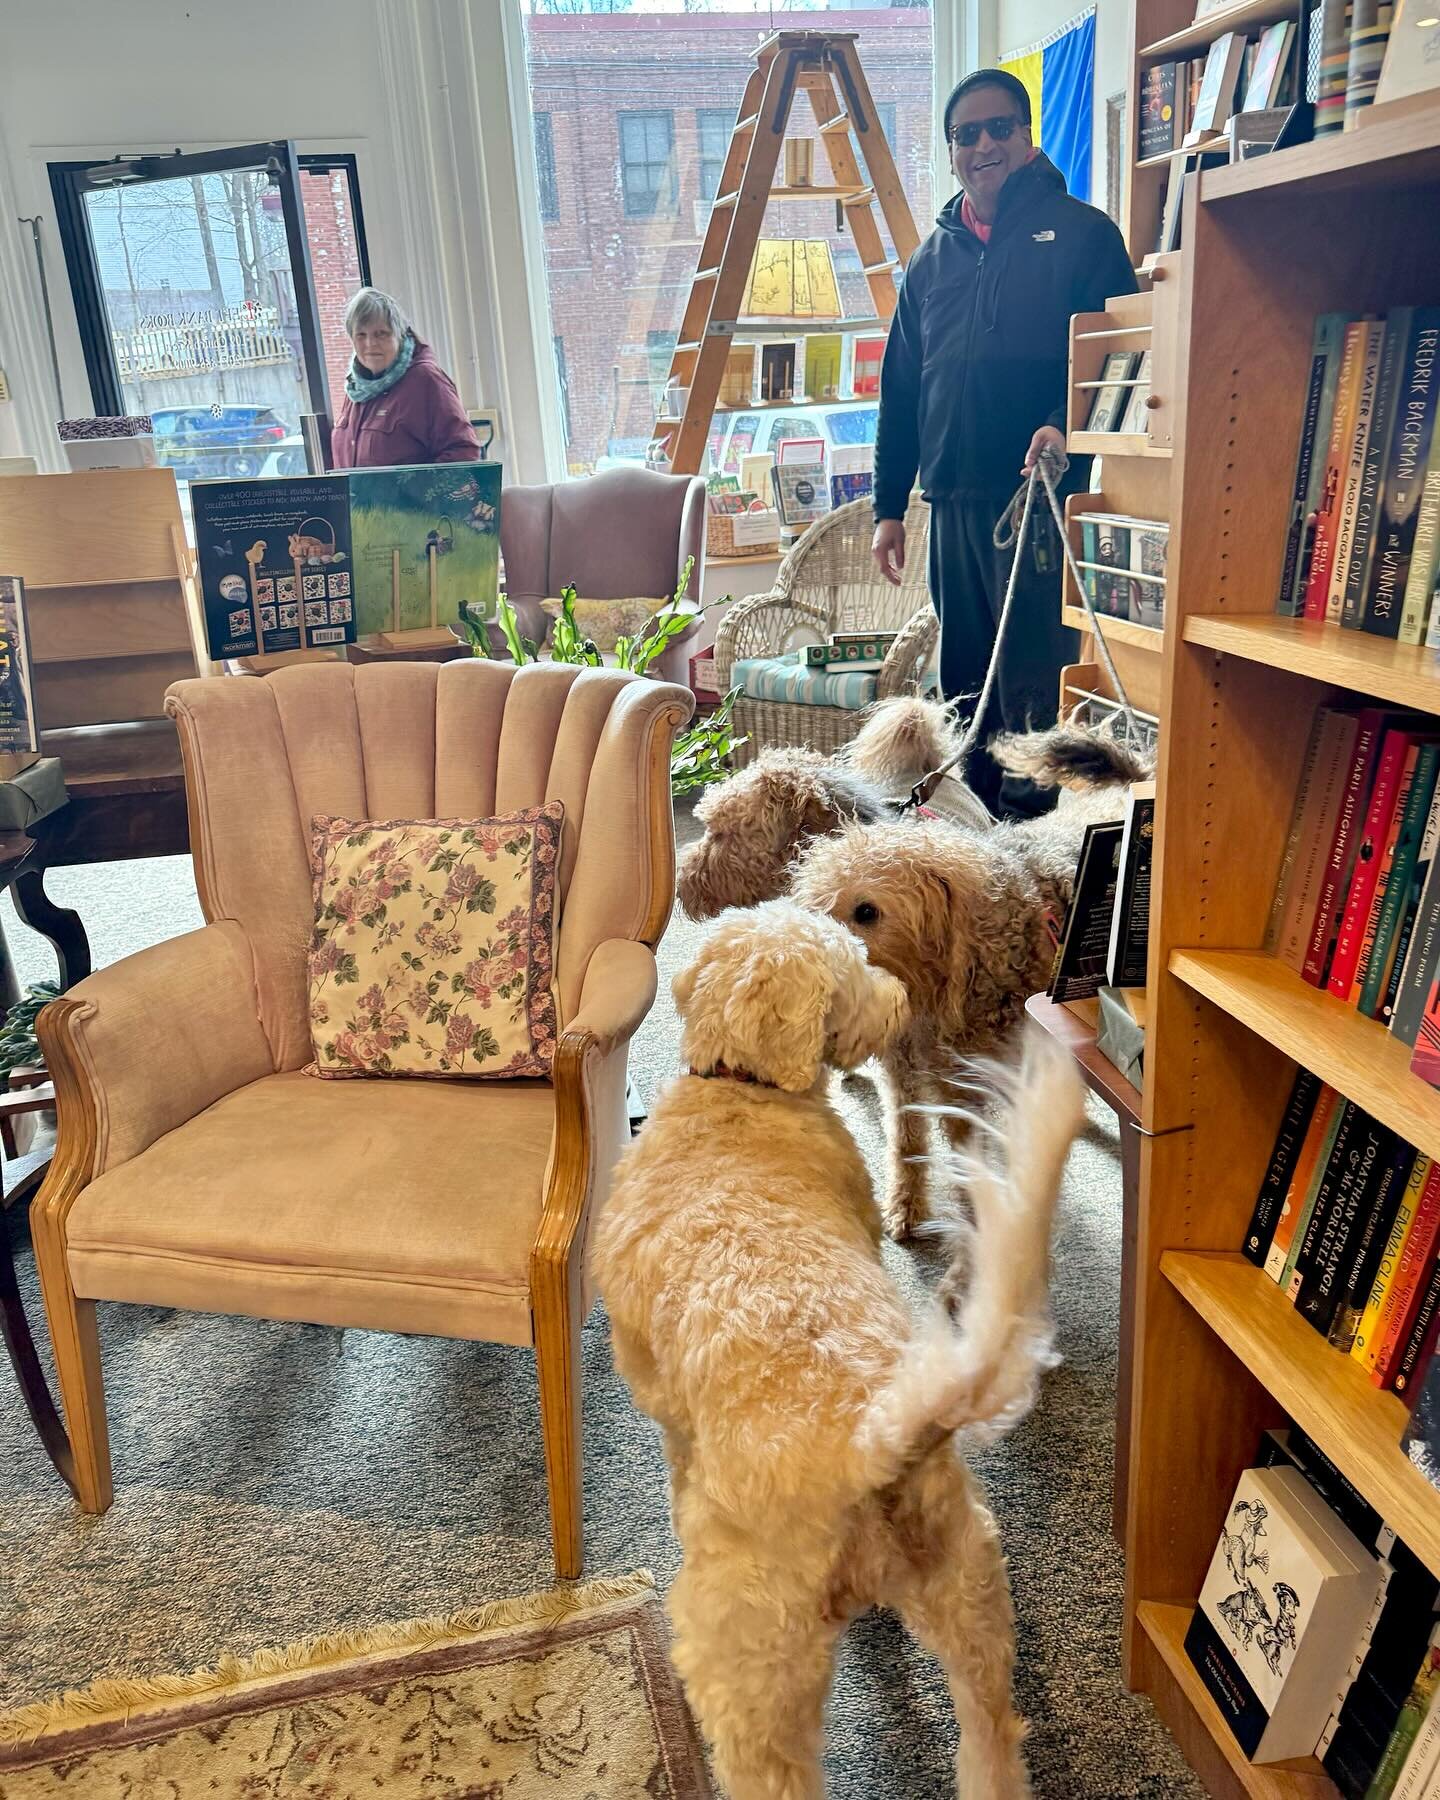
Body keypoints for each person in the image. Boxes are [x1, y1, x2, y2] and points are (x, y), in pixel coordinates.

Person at [871, 68, 1137, 817]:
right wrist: (887, 507)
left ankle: (1033, 833)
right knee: (963, 676)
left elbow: (1117, 359)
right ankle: (969, 825)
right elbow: (900, 390)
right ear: (952, 150)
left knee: (1031, 677)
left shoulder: (1085, 235)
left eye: (999, 128)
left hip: (1038, 499)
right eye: (967, 134)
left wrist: (1066, 423)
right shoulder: (929, 260)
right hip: (951, 499)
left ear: (1026, 137)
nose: (983, 144)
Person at [329, 288, 480, 469]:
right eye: (361, 335)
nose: (370, 344)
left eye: (381, 334)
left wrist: (413, 493)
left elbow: (464, 452)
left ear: (400, 335)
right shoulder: (356, 389)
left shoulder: (425, 380)